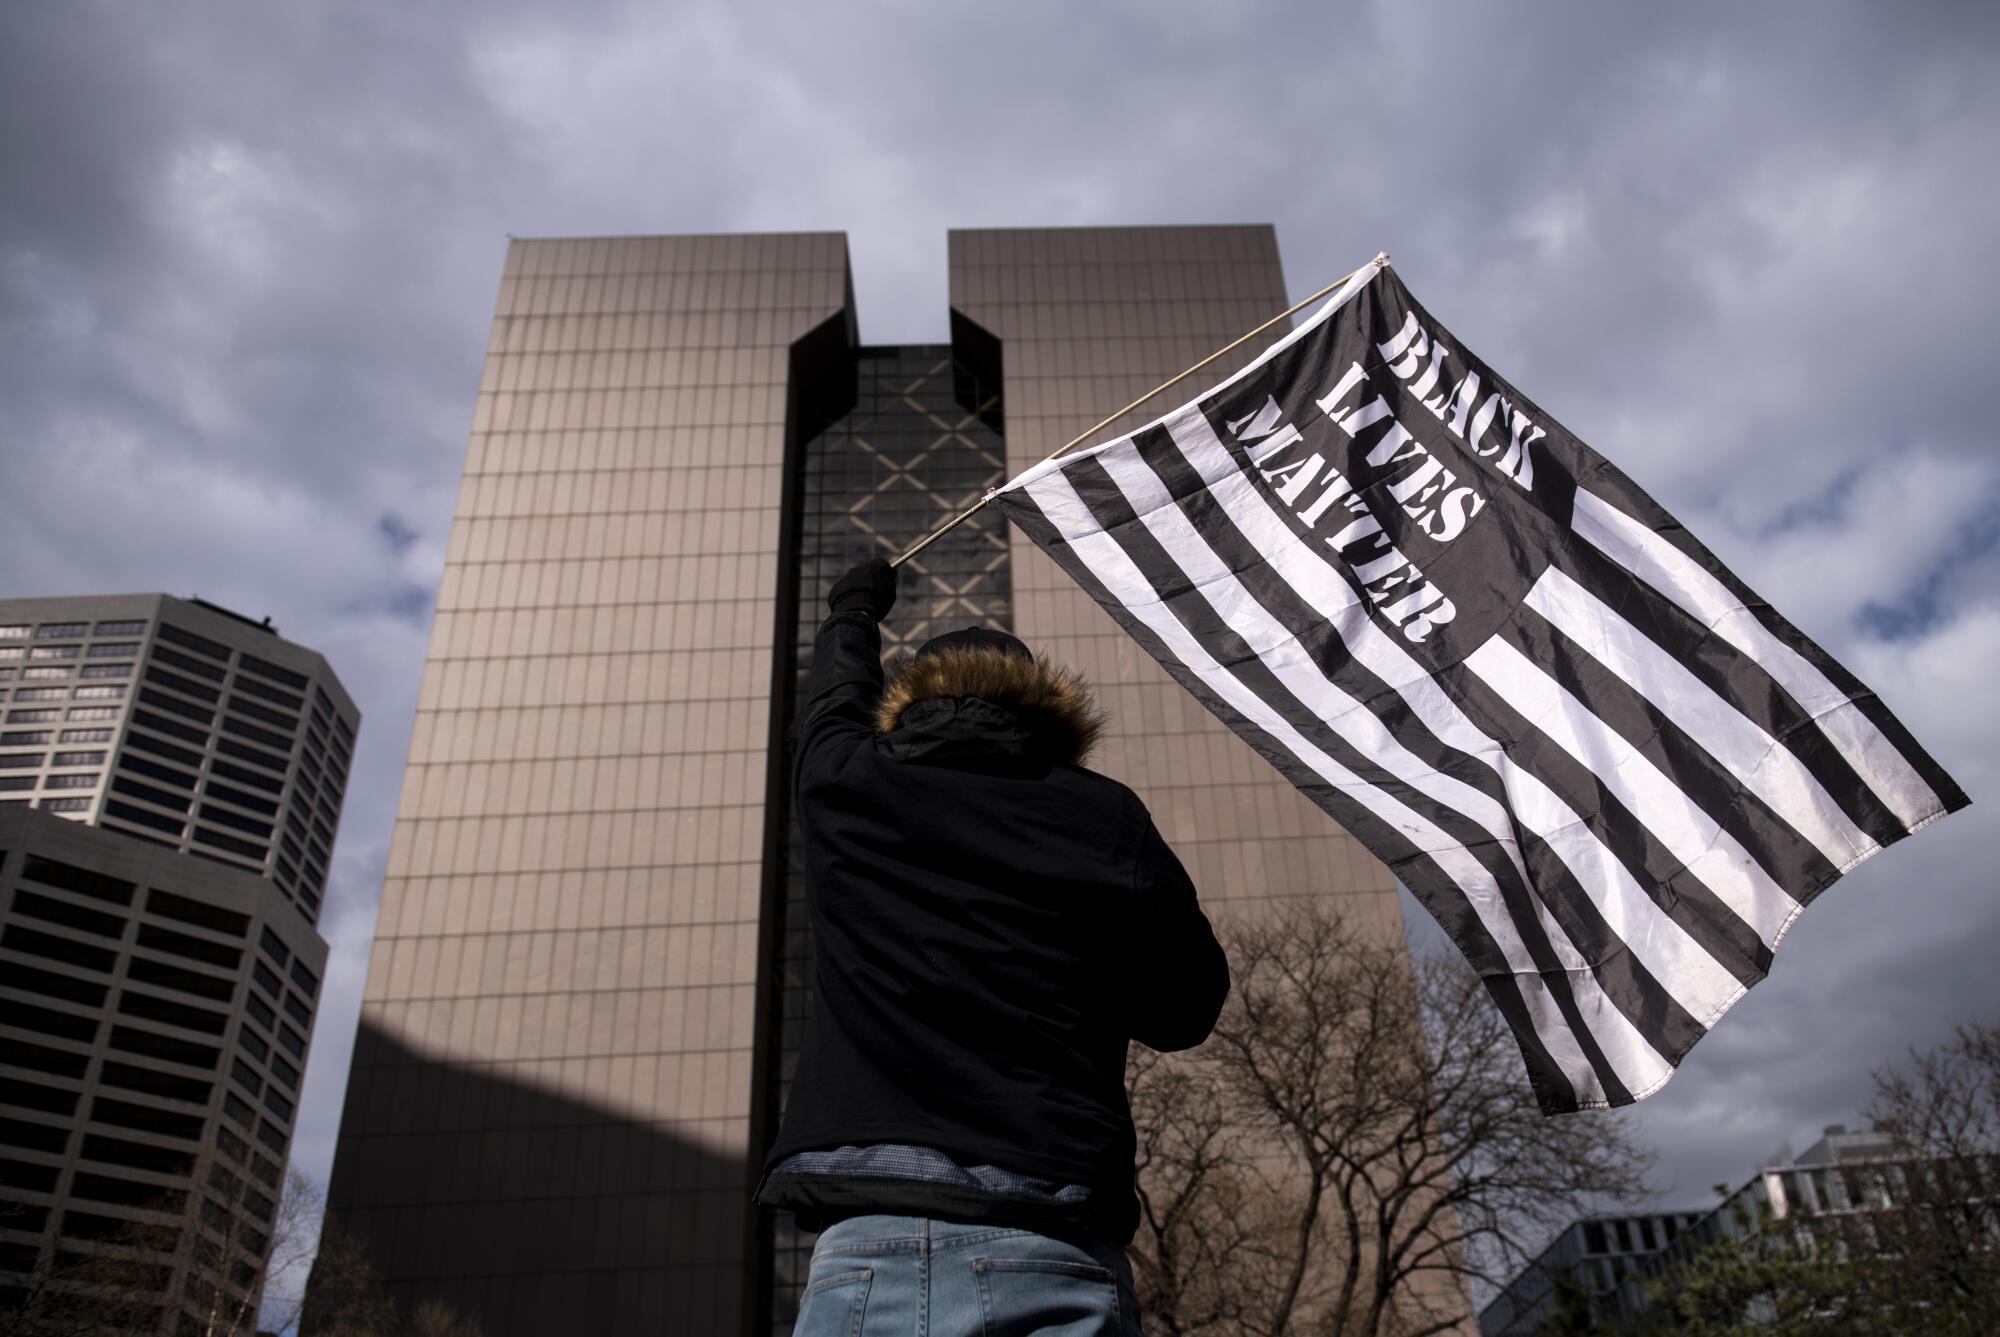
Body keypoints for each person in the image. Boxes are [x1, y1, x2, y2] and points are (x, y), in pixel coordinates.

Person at [754, 556, 1230, 1336]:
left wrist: (853, 611)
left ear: (910, 699)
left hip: (867, 1248)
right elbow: (1186, 1008)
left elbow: (831, 707)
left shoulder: (848, 781)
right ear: (1046, 708)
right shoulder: (1104, 816)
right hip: (1052, 1234)